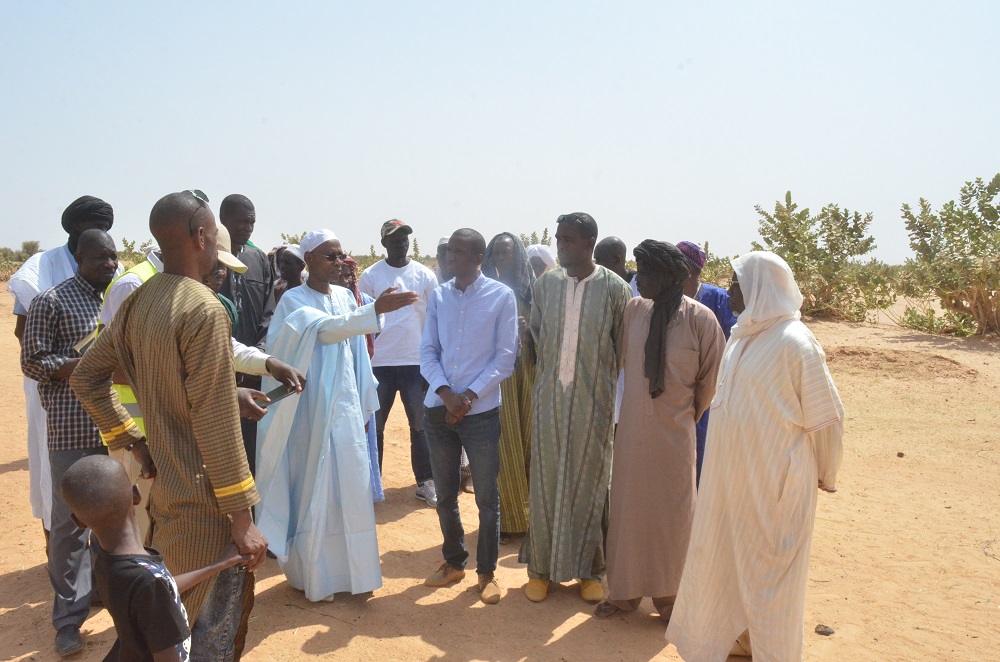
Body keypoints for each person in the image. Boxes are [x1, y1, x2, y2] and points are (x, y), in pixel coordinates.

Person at [71, 190, 269, 662]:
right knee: (207, 639)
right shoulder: (205, 309)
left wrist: (132, 442)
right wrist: (241, 519)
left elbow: (85, 376)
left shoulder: (140, 300)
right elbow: (216, 422)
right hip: (207, 508)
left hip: (167, 500)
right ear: (202, 236)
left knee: (165, 628)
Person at [666, 251, 844, 661]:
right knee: (728, 566)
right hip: (733, 484)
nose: (728, 290)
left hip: (776, 486)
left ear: (761, 288)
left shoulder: (797, 343)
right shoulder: (742, 335)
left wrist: (825, 473)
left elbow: (828, 420)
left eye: (736, 283)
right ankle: (739, 643)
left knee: (771, 581)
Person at [98, 223, 302, 537]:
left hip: (178, 431)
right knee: (139, 534)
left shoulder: (191, 291)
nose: (221, 275)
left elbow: (220, 345)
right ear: (196, 248)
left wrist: (269, 364)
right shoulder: (135, 285)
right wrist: (223, 392)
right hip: (139, 434)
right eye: (217, 266)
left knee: (175, 532)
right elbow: (109, 367)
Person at [256, 230, 417, 602]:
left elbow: (356, 348)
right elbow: (326, 331)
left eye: (341, 255)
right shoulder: (293, 300)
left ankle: (353, 574)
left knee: (351, 488)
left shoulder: (346, 296)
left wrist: (364, 398)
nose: (339, 261)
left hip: (344, 409)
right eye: (330, 256)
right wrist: (373, 311)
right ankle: (313, 576)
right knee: (316, 489)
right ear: (308, 259)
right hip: (310, 412)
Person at [595, 240, 724, 622]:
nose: (641, 278)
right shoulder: (634, 310)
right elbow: (622, 362)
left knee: (673, 517)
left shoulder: (701, 321)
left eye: (648, 272)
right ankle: (624, 594)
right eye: (640, 269)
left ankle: (671, 600)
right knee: (629, 512)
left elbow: (709, 384)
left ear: (670, 277)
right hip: (632, 433)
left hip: (675, 438)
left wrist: (677, 417)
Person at [518, 213, 632, 604]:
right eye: (558, 239)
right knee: (547, 481)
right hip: (549, 398)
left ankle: (590, 571)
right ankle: (540, 569)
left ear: (589, 243)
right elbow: (536, 339)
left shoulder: (616, 290)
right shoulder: (545, 286)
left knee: (591, 483)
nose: (561, 246)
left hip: (594, 401)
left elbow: (623, 349)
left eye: (568, 240)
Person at [20, 229, 118, 656]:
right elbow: (32, 360)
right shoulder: (51, 301)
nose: (110, 265)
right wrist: (84, 366)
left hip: (117, 426)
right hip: (72, 426)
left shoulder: (116, 300)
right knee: (70, 524)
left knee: (119, 517)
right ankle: (68, 621)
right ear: (79, 256)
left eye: (114, 258)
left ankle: (113, 599)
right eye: (101, 258)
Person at [61, 455, 252, 662]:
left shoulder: (108, 562)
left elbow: (164, 586)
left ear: (77, 521)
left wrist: (219, 564)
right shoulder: (147, 581)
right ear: (136, 495)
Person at [8, 196, 117, 544]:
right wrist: (67, 366)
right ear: (74, 228)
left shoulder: (110, 271)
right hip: (56, 393)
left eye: (106, 228)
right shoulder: (42, 267)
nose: (102, 233)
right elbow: (24, 334)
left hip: (104, 397)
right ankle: (57, 555)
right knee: (55, 477)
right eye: (94, 227)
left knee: (105, 484)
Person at [420, 229, 518, 604]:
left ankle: (487, 573)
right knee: (445, 493)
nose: (449, 258)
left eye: (459, 252)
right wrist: (447, 395)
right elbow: (428, 351)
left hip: (480, 413)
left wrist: (469, 397)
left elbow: (505, 357)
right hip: (438, 408)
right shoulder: (440, 296)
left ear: (479, 257)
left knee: (487, 498)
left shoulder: (500, 296)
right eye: (448, 252)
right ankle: (453, 562)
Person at [358, 219, 440, 506]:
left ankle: (425, 482)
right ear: (384, 243)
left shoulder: (424, 276)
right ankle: (372, 483)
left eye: (404, 237)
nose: (401, 242)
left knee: (420, 425)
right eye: (394, 238)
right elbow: (363, 316)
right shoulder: (370, 275)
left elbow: (434, 319)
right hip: (379, 363)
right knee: (375, 426)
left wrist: (433, 363)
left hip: (415, 362)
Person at [481, 232, 536, 541]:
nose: (503, 259)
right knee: (501, 447)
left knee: (528, 445)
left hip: (527, 378)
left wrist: (530, 335)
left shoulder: (534, 294)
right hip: (496, 380)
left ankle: (529, 519)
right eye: (497, 254)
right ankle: (505, 520)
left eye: (508, 253)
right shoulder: (485, 294)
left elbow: (549, 338)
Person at [217, 194, 275, 476]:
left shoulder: (259, 259)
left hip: (253, 368)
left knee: (252, 445)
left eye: (251, 222)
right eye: (241, 222)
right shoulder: (210, 259)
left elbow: (268, 310)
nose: (247, 228)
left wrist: (261, 351)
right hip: (218, 367)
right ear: (223, 220)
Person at [336, 254, 384, 502]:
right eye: (339, 274)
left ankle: (364, 493)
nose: (344, 280)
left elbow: (376, 328)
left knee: (365, 435)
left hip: (361, 377)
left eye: (348, 275)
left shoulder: (364, 302)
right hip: (336, 380)